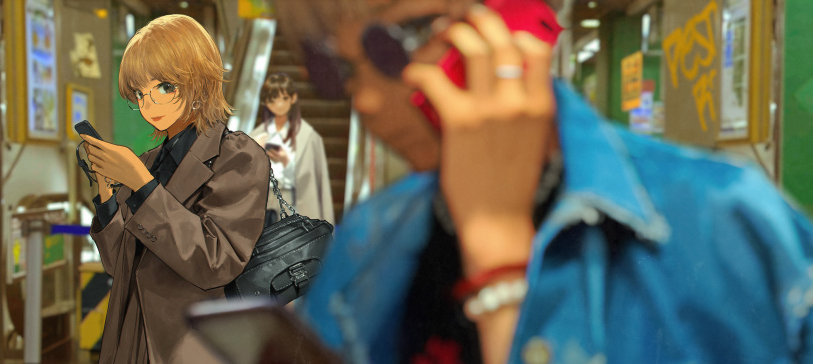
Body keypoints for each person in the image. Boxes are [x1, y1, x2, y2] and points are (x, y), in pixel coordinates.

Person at [275, 0, 813, 363]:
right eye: (341, 68)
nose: (365, 101)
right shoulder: (369, 237)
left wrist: (498, 249)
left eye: (401, 40)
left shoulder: (726, 222)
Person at [81, 14, 269, 363]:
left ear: (199, 80)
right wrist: (107, 192)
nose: (149, 104)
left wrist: (142, 185)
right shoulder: (149, 160)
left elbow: (216, 260)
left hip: (193, 341)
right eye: (139, 93)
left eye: (165, 87)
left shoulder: (238, 155)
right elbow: (118, 263)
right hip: (130, 335)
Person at [250, 72, 335, 224]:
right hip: (259, 209)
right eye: (272, 99)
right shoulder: (257, 136)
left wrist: (286, 162)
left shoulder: (308, 137)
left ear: (292, 99)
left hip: (291, 210)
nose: (278, 104)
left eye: (283, 98)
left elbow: (313, 185)